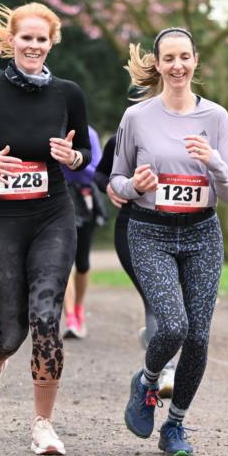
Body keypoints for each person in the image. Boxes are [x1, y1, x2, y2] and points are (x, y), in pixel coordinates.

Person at [0, 2, 91, 456]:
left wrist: (73, 160)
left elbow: (84, 152)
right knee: (10, 333)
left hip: (52, 213)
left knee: (47, 314)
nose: (33, 46)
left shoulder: (68, 93)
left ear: (52, 43)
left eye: (41, 39)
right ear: (11, 41)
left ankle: (43, 424)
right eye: (25, 38)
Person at [110, 27, 228, 456]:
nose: (178, 66)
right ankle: (147, 382)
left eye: (185, 56)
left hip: (203, 232)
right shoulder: (137, 117)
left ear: (196, 60)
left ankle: (175, 426)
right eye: (169, 58)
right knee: (173, 325)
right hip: (151, 231)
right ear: (158, 63)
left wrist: (215, 162)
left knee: (199, 338)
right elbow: (116, 181)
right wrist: (134, 184)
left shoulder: (216, 118)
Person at [95, 132, 176, 398]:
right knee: (156, 299)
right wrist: (110, 186)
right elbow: (101, 173)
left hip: (184, 229)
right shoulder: (123, 137)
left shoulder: (190, 131)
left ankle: (155, 342)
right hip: (134, 227)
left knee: (175, 305)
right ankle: (166, 370)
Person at [62, 125, 104, 339]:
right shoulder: (49, 128)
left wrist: (71, 160)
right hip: (57, 198)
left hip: (83, 199)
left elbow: (97, 171)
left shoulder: (89, 133)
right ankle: (70, 317)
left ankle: (78, 308)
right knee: (62, 261)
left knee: (82, 262)